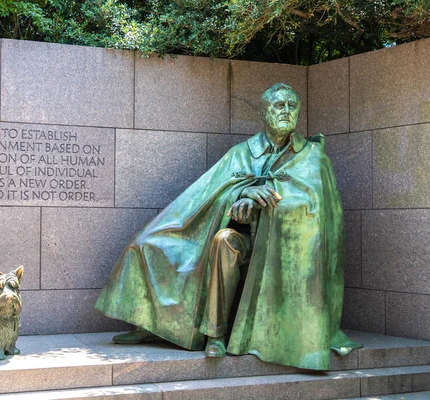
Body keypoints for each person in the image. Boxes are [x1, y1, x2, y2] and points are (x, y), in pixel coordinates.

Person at [94, 83, 361, 371]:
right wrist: (239, 196)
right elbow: (208, 195)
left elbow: (319, 212)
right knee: (161, 243)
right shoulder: (242, 153)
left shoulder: (312, 157)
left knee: (227, 240)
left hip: (279, 250)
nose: (285, 111)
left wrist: (265, 202)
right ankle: (206, 333)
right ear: (263, 112)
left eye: (291, 106)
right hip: (242, 238)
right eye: (278, 105)